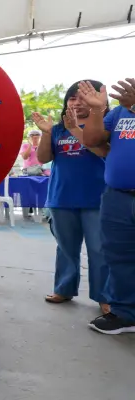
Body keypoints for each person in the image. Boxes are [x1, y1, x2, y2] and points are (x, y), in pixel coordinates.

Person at [31, 81, 110, 312]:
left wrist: (77, 129)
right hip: (62, 197)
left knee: (99, 250)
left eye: (83, 98)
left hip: (97, 199)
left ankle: (104, 296)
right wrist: (47, 133)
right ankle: (64, 289)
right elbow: (43, 158)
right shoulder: (58, 129)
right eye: (72, 98)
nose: (76, 103)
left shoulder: (105, 126)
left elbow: (104, 152)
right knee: (66, 248)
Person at [79, 78, 135, 335]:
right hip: (117, 197)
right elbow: (92, 139)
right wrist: (97, 109)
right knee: (118, 256)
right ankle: (125, 314)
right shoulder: (121, 110)